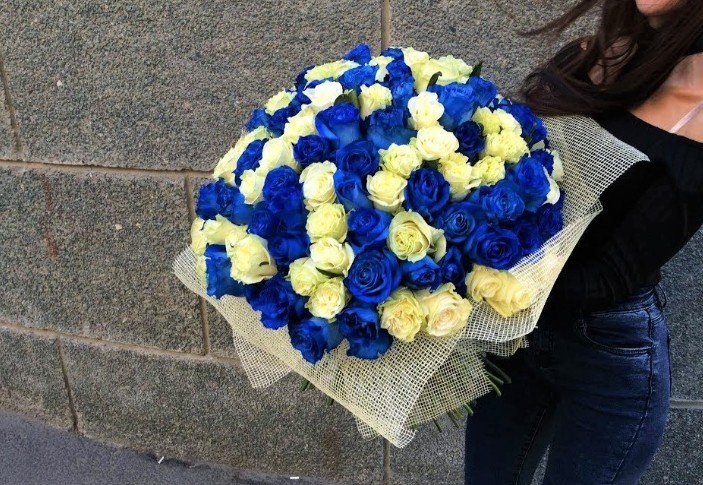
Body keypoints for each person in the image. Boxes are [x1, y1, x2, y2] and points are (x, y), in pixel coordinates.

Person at [464, 1, 703, 483]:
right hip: (516, 332)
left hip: (608, 354)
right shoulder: (591, 56)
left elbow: (609, 279)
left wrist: (469, 268)